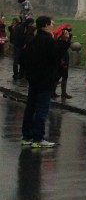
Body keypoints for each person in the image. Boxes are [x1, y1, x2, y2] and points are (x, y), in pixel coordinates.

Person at [20, 16, 61, 148]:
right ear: (46, 25)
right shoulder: (48, 41)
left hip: (33, 79)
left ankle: (27, 136)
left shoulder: (32, 40)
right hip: (45, 80)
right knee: (41, 109)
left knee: (30, 108)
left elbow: (22, 58)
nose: (53, 26)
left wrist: (29, 72)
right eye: (51, 24)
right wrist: (64, 42)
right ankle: (38, 138)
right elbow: (56, 58)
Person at [52, 24, 72, 99]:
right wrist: (67, 38)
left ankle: (59, 92)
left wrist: (68, 37)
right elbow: (64, 48)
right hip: (62, 61)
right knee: (60, 76)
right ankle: (58, 92)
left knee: (61, 76)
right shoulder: (60, 42)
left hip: (62, 60)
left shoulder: (59, 41)